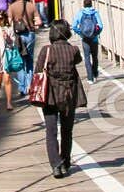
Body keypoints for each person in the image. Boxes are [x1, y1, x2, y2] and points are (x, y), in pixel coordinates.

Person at [33, 21, 85, 178]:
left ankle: (56, 164)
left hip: (50, 95)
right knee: (67, 130)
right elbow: (78, 61)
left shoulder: (46, 50)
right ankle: (66, 161)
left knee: (51, 131)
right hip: (69, 94)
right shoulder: (73, 50)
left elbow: (38, 71)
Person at [7, 0, 39, 95]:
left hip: (18, 37)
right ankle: (30, 86)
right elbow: (38, 22)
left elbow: (9, 22)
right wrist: (33, 25)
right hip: (30, 34)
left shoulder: (12, 7)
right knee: (29, 61)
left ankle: (22, 88)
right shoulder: (31, 6)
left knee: (20, 62)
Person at [72, 0, 104, 82]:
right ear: (91, 4)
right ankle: (95, 73)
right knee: (95, 56)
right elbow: (101, 26)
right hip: (94, 38)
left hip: (85, 38)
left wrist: (80, 33)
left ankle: (90, 78)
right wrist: (96, 33)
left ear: (83, 5)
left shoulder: (80, 13)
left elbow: (74, 26)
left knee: (86, 57)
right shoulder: (95, 13)